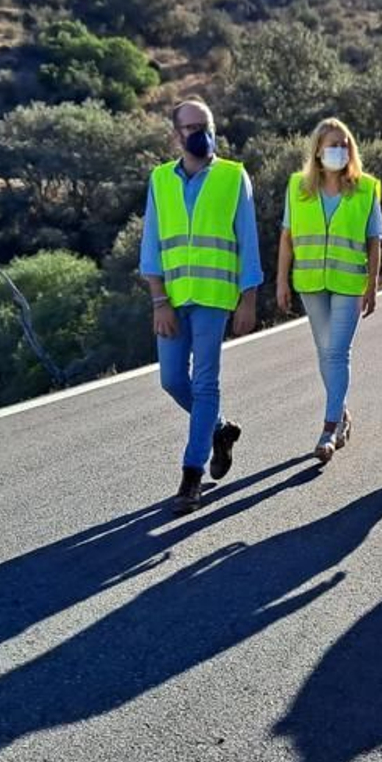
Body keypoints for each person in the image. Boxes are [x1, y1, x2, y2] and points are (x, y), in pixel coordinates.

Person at [139, 98, 261, 513]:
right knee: (172, 379)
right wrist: (159, 300)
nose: (200, 134)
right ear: (176, 135)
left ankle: (192, 475)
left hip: (214, 297)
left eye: (205, 126)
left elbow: (248, 241)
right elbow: (152, 245)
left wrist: (248, 299)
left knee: (206, 383)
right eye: (191, 128)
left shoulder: (233, 176)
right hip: (172, 299)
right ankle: (220, 429)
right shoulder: (160, 179)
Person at [275, 118, 382, 464]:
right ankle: (343, 414)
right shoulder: (297, 187)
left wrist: (372, 285)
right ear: (318, 151)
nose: (339, 150)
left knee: (337, 353)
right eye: (332, 144)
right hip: (310, 282)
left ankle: (329, 429)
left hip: (349, 283)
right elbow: (287, 238)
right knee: (324, 353)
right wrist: (281, 281)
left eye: (344, 144)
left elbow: (374, 241)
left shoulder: (366, 188)